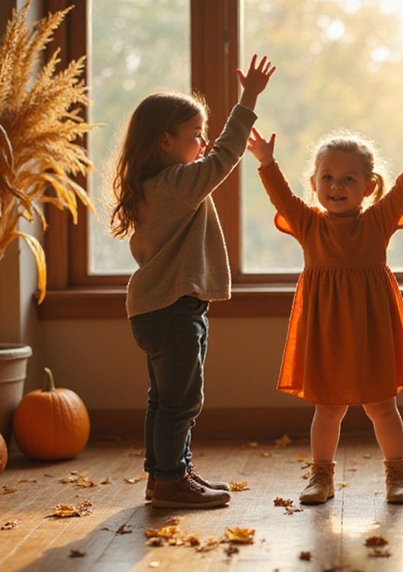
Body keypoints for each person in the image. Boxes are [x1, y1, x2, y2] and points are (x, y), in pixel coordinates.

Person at [245, 117, 403, 505]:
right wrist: (266, 162)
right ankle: (321, 478)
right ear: (315, 184)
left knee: (382, 406)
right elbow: (281, 198)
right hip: (326, 329)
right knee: (329, 407)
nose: (336, 186)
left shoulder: (377, 221)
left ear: (368, 187)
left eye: (349, 179)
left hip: (371, 326)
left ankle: (396, 476)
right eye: (328, 178)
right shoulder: (307, 223)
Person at [109, 55, 276, 509]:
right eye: (193, 135)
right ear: (165, 141)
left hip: (155, 309)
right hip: (174, 309)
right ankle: (169, 482)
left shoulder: (151, 186)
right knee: (182, 401)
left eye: (201, 134)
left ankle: (167, 474)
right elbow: (226, 155)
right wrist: (249, 99)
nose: (202, 142)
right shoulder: (176, 186)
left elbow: (214, 155)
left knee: (163, 401)